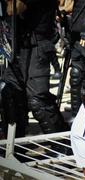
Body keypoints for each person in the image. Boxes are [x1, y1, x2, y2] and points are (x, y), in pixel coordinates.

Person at [0, 0, 68, 137]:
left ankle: (62, 143)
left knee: (38, 101)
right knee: (12, 96)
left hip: (37, 46)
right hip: (17, 45)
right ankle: (15, 146)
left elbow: (14, 9)